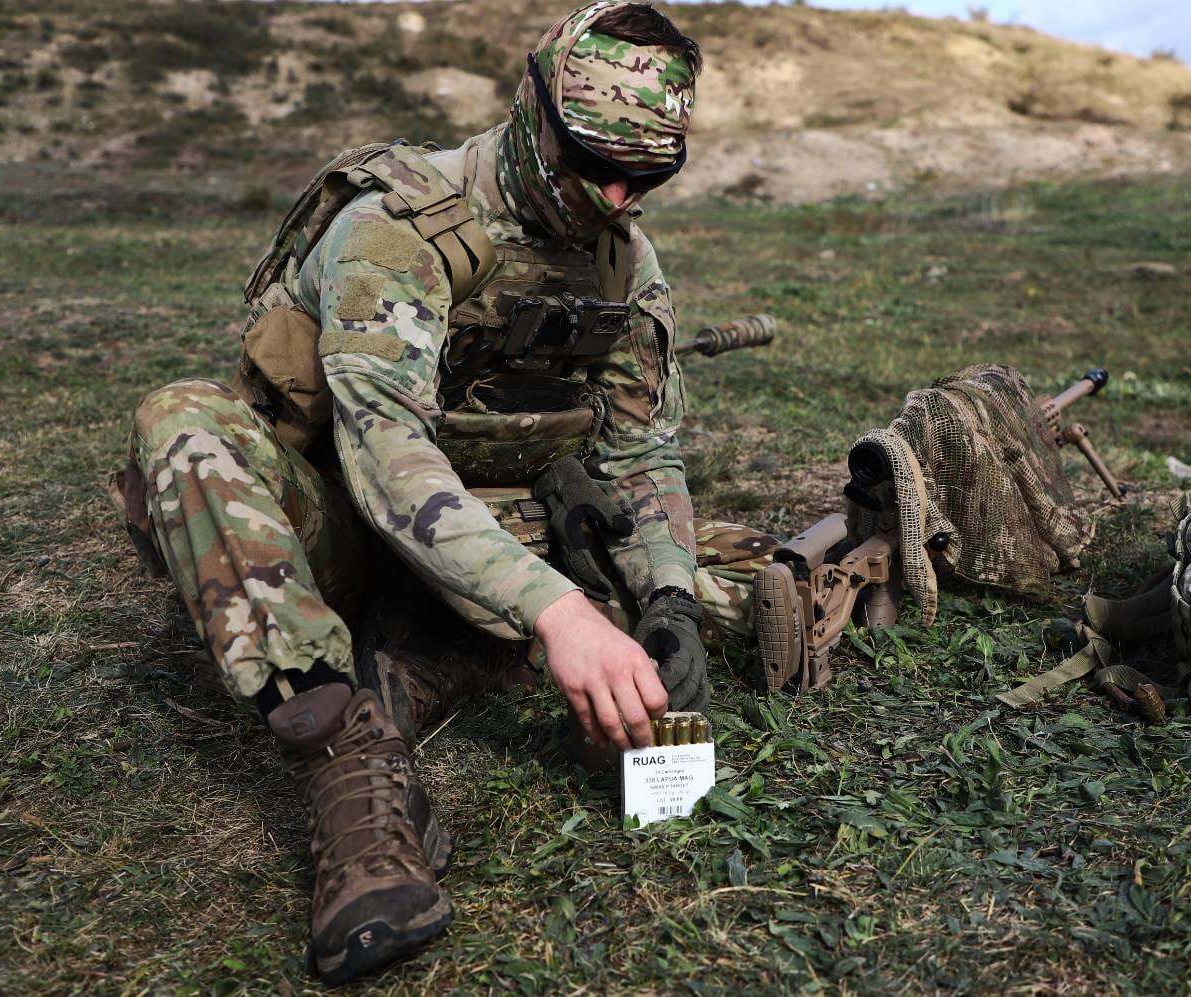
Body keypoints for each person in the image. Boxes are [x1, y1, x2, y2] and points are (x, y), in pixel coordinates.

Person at [110, 2, 778, 984]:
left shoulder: (624, 260)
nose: (614, 193)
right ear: (532, 107)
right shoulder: (399, 227)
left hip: (495, 534)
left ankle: (453, 647)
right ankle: (343, 768)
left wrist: (668, 597)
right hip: (339, 523)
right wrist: (557, 610)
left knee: (698, 589)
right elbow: (385, 459)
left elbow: (643, 452)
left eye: (648, 175)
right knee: (183, 423)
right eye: (592, 158)